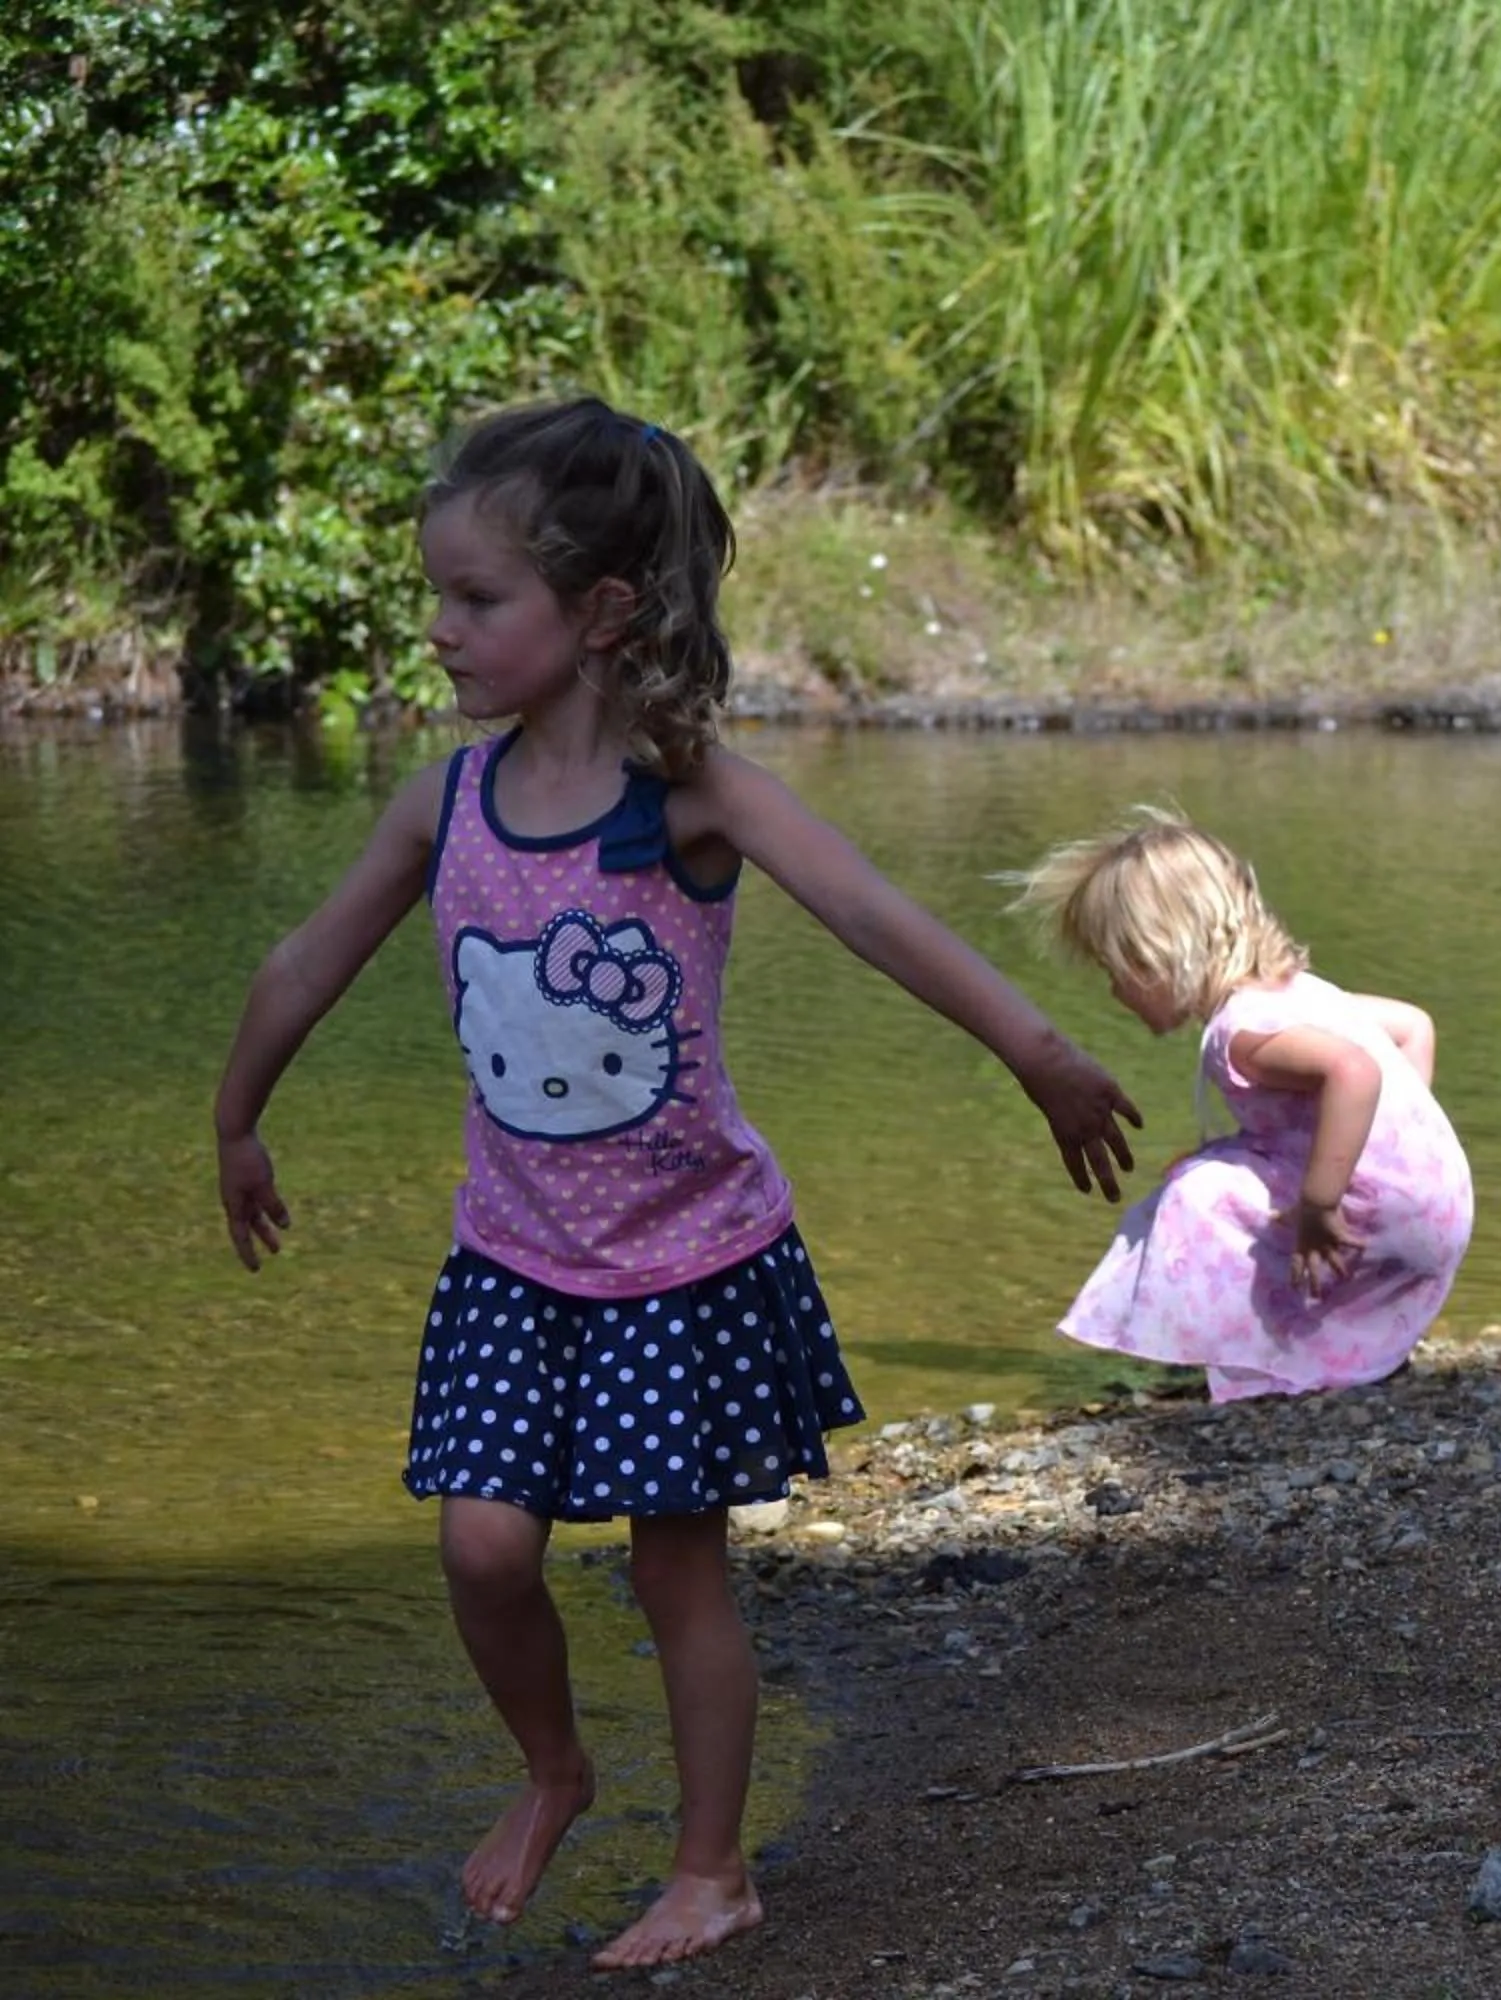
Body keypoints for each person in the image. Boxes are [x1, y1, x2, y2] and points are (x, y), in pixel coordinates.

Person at [209, 397, 1141, 1969]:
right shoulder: (444, 803)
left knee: (673, 1565)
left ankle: (715, 1872)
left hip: (687, 1264)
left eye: (476, 598)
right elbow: (304, 962)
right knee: (481, 1547)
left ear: (599, 611)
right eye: (438, 595)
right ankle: (555, 1771)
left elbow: (874, 915)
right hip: (512, 1261)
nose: (438, 630)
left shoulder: (690, 792)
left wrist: (1037, 1050)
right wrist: (238, 1120)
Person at [1009, 807, 1472, 1402]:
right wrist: (1394, 1153)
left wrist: (1321, 1202)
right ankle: (1334, 1343)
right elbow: (1414, 1028)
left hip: (1384, 1223)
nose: (1114, 991)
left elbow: (1353, 1072)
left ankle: (1248, 1354)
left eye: (1115, 970)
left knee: (1193, 1194)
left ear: (1157, 957)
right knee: (1217, 1163)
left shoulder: (1238, 1033)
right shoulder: (1306, 993)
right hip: (1441, 1210)